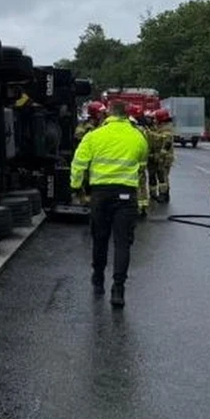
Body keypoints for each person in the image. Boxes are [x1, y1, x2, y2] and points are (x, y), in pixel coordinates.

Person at [70, 100, 148, 308]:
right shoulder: (137, 136)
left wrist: (77, 188)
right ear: (126, 115)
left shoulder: (93, 136)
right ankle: (118, 290)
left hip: (101, 194)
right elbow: (142, 164)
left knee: (100, 238)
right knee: (123, 242)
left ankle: (98, 280)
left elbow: (78, 164)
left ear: (109, 114)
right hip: (126, 194)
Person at [126, 103, 151, 216]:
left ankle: (136, 207)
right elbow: (147, 145)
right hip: (142, 162)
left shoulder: (130, 130)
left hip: (131, 162)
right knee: (142, 184)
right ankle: (143, 206)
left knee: (133, 185)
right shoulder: (143, 129)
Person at [148, 107, 175, 202]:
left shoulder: (166, 129)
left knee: (163, 177)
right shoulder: (161, 127)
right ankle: (157, 194)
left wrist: (161, 156)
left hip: (165, 158)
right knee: (158, 176)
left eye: (155, 119)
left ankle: (164, 195)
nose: (154, 121)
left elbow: (167, 143)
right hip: (160, 156)